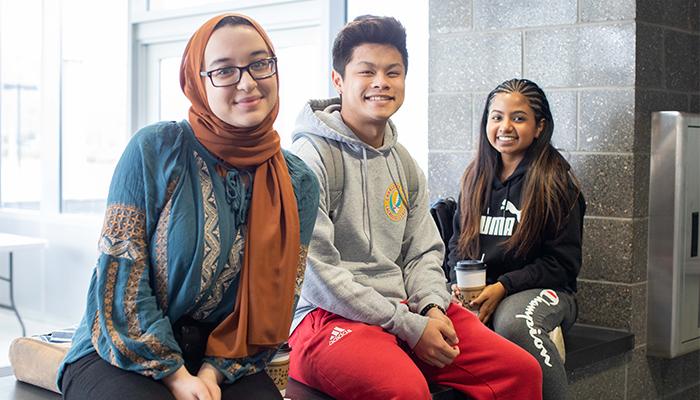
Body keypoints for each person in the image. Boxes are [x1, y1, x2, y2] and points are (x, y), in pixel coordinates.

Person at [58, 13, 319, 400]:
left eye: (259, 63)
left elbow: (278, 301)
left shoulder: (298, 183)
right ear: (197, 82)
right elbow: (121, 284)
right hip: (118, 350)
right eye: (224, 71)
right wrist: (177, 377)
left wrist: (212, 374)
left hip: (226, 359)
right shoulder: (156, 149)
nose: (248, 82)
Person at [289, 16, 542, 400]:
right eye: (367, 72)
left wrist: (433, 308)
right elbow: (317, 277)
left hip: (405, 309)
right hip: (327, 318)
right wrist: (406, 325)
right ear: (338, 80)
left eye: (393, 72)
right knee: (406, 391)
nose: (381, 82)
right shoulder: (309, 160)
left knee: (519, 371)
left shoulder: (403, 162)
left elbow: (423, 252)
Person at [448, 78, 586, 400]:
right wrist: (457, 282)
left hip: (544, 291)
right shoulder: (474, 178)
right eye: (496, 117)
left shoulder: (555, 183)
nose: (505, 126)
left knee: (513, 322)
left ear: (539, 127)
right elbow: (457, 244)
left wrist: (504, 286)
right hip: (482, 290)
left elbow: (562, 264)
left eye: (519, 118)